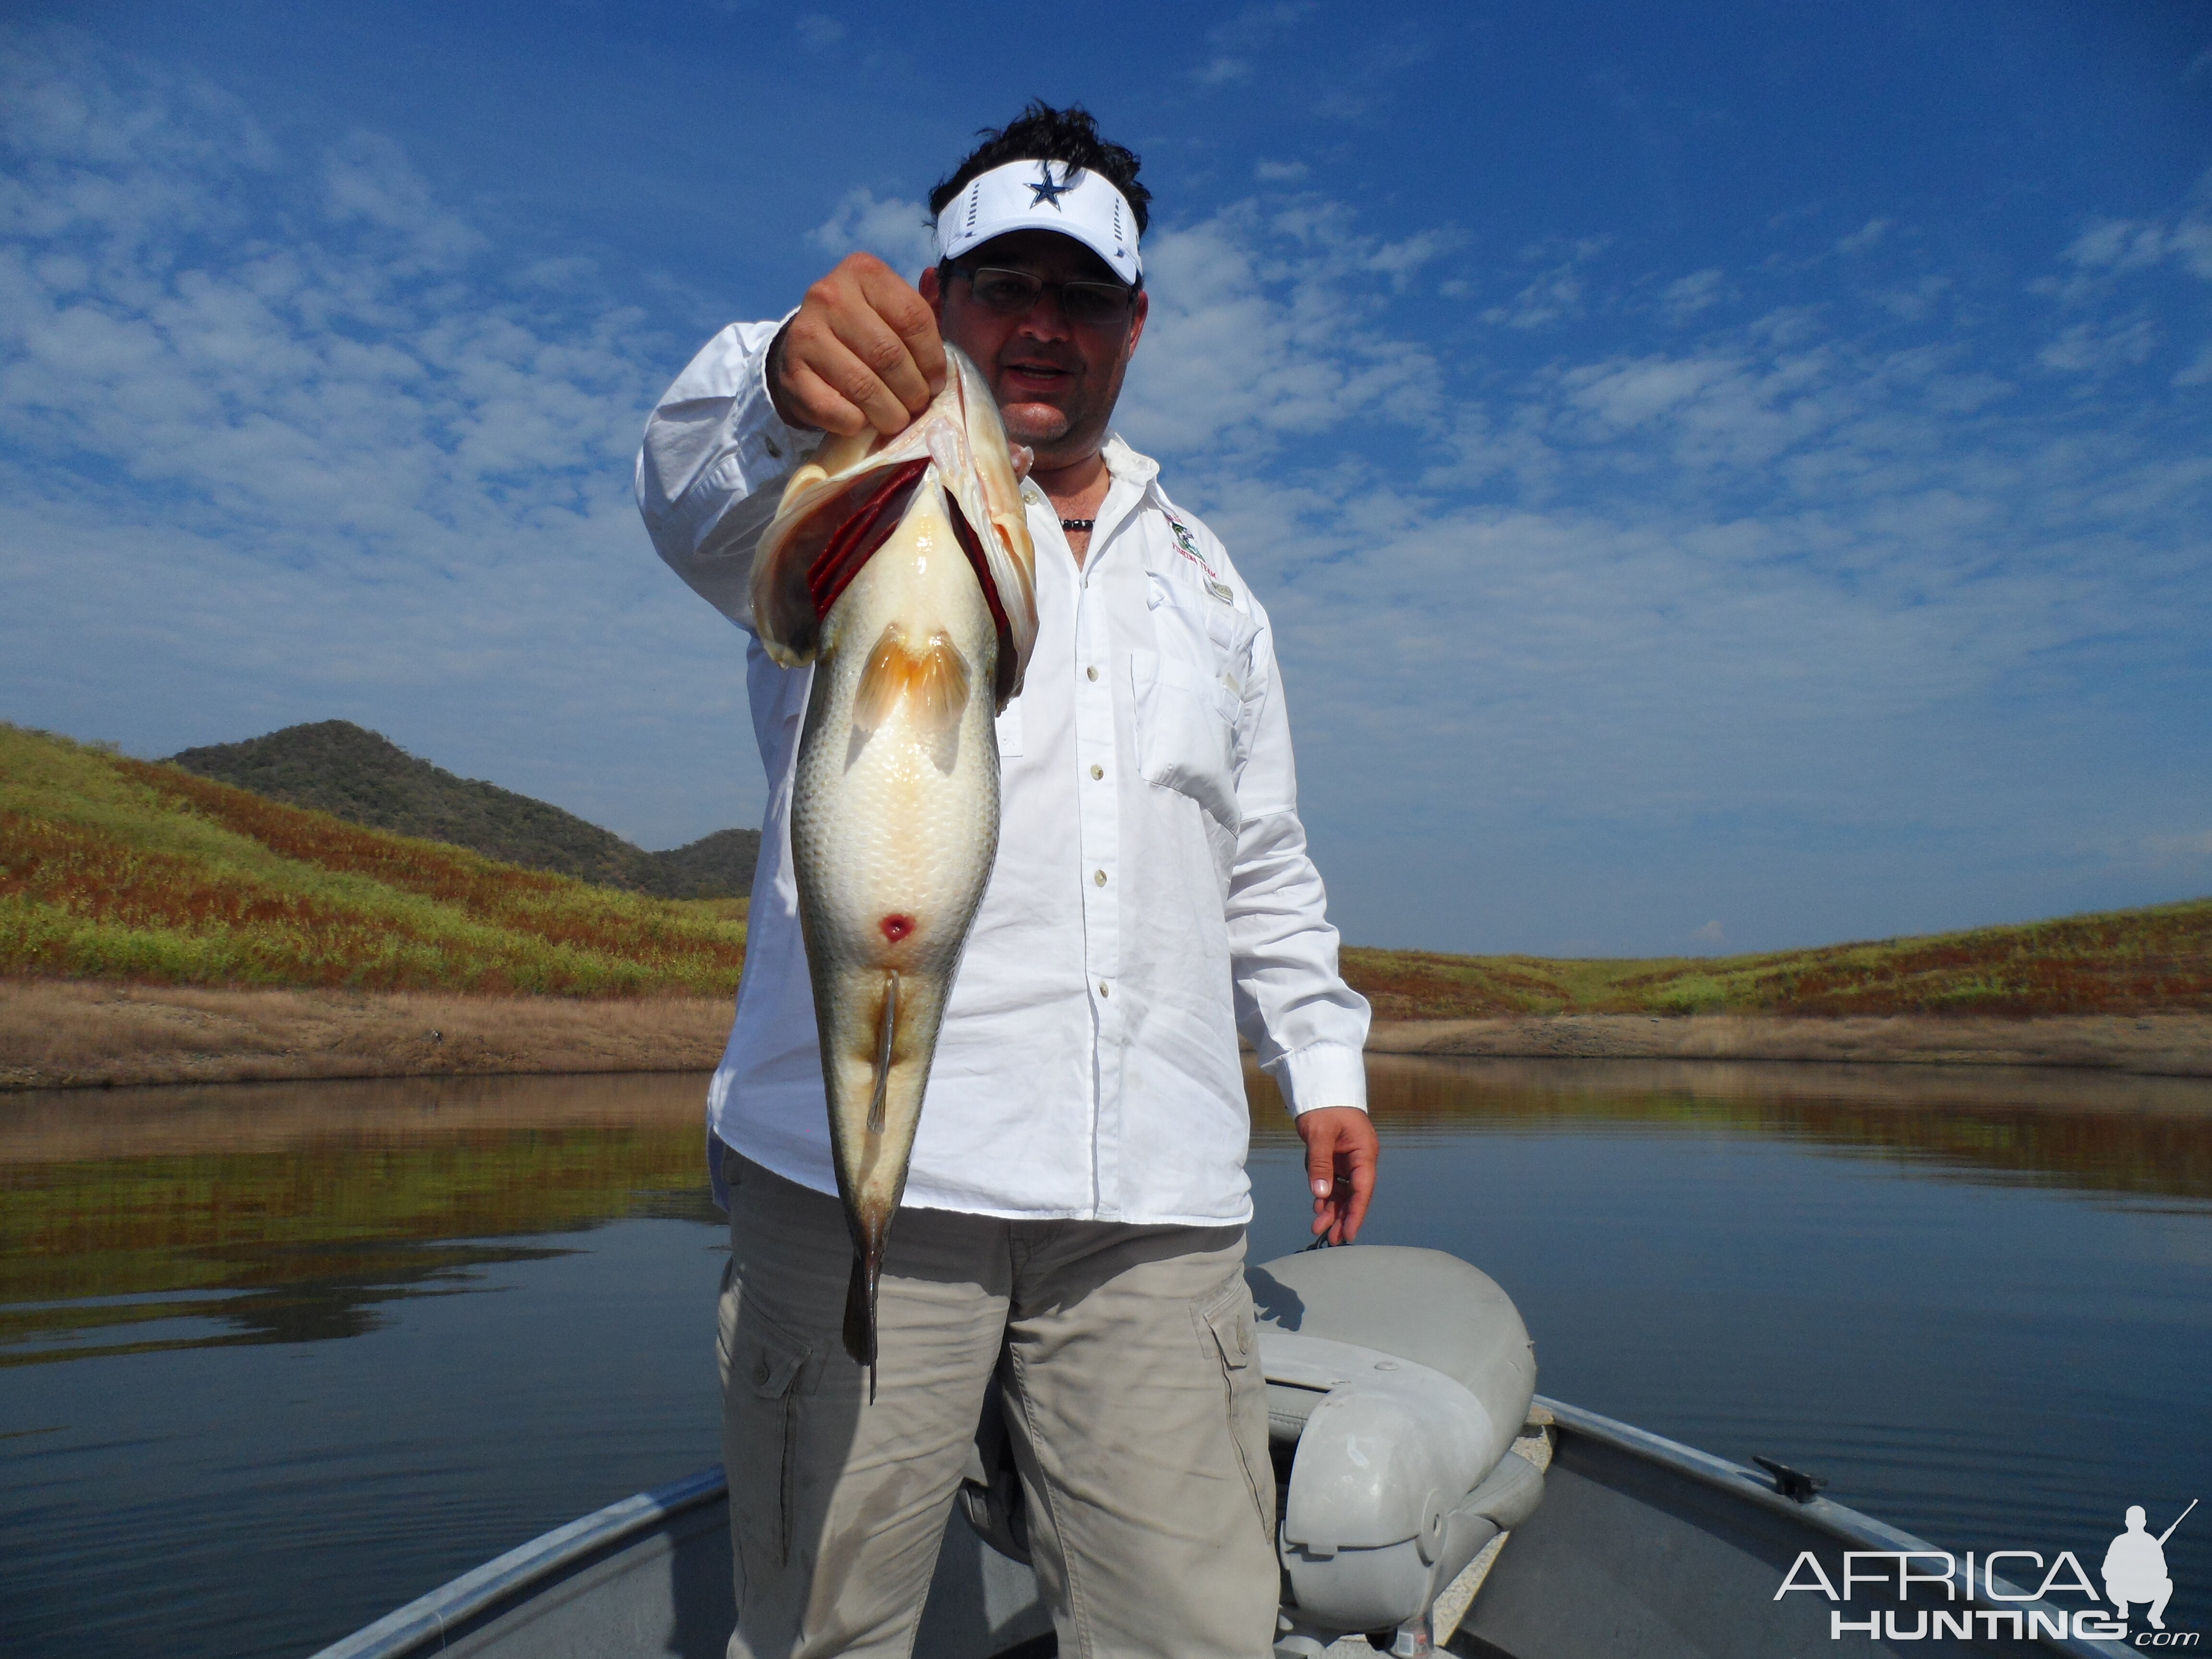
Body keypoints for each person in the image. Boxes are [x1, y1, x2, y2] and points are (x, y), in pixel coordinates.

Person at [635, 102, 1377, 1659]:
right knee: (818, 1631)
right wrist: (780, 373)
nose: (1039, 325)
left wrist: (1321, 1061)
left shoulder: (1205, 577)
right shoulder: (840, 491)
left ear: (1134, 321)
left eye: (1081, 295)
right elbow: (687, 491)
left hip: (1150, 1207)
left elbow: (1259, 852)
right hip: (848, 1198)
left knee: (1195, 1632)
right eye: (999, 285)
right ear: (935, 292)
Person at [2103, 1505, 2176, 1630]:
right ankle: (2123, 1607)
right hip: (2122, 1589)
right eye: (2133, 1520)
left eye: (2138, 1520)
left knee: (2167, 1584)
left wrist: (2145, 1571)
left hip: (2146, 1589)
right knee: (2111, 1583)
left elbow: (2163, 1572)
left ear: (2144, 1523)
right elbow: (2106, 1571)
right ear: (2127, 1522)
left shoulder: (2152, 1543)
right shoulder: (2119, 1542)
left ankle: (2155, 1615)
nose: (2135, 1523)